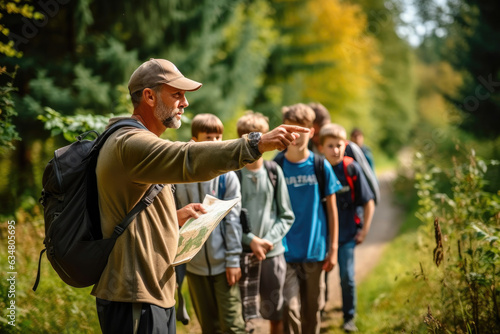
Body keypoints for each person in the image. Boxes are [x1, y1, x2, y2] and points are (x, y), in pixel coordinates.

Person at [91, 58, 308, 334]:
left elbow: (133, 209)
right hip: (133, 292)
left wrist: (174, 217)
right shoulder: (132, 143)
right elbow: (189, 158)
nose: (185, 103)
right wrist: (257, 143)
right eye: (177, 94)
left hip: (149, 289)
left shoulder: (138, 142)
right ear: (148, 96)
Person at [174, 113, 246, 334]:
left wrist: (233, 260)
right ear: (194, 142)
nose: (215, 143)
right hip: (194, 267)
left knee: (232, 326)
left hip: (224, 265)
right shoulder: (179, 175)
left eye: (218, 137)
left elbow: (233, 222)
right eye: (209, 138)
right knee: (209, 327)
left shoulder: (227, 177)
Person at [274, 103, 342, 334]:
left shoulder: (320, 165)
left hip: (315, 251)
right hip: (284, 253)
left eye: (302, 129)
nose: (296, 135)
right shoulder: (276, 167)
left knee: (312, 310)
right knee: (288, 307)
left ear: (312, 131)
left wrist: (333, 249)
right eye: (291, 129)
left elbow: (332, 211)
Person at [235, 111, 295, 334]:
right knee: (244, 315)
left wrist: (267, 241)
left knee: (275, 313)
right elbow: (228, 218)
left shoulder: (274, 172)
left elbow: (286, 214)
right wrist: (250, 241)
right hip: (243, 254)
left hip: (273, 253)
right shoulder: (233, 176)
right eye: (247, 137)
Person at [318, 123, 375, 332]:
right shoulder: (317, 169)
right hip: (322, 237)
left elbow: (369, 201)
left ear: (345, 145)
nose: (336, 150)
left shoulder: (351, 168)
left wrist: (365, 230)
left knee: (347, 277)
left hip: (348, 233)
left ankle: (349, 317)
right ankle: (319, 311)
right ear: (321, 147)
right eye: (330, 146)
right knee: (320, 277)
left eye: (339, 145)